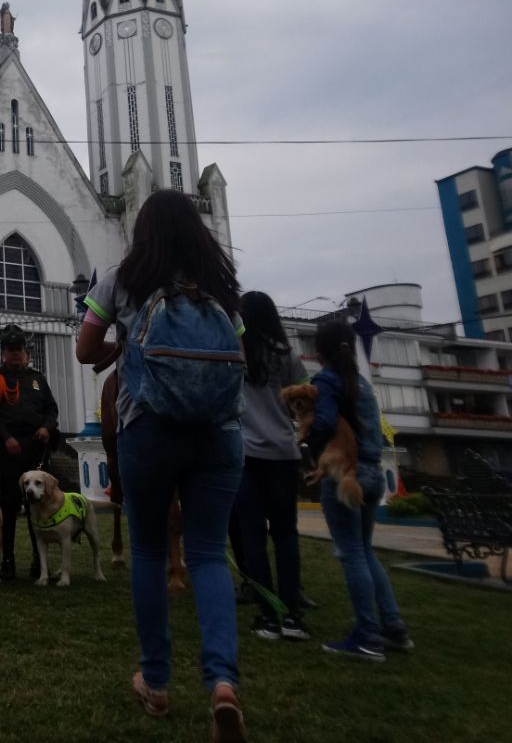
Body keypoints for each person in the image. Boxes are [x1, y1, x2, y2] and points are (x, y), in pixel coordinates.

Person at [75, 189, 247, 742]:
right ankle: (223, 683)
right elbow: (239, 356)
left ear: (142, 230)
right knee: (208, 554)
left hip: (148, 429)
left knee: (150, 551)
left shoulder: (124, 278)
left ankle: (155, 680)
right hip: (219, 433)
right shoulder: (220, 285)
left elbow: (84, 351)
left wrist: (122, 347)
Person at [311, 319, 412, 661]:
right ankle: (393, 626)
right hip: (373, 472)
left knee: (351, 553)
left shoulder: (326, 381)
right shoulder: (362, 384)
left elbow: (323, 422)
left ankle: (368, 637)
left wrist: (314, 450)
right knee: (365, 550)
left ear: (318, 351)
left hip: (344, 474)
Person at [236, 290, 311, 642]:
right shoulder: (287, 355)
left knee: (252, 536)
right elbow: (307, 399)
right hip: (285, 452)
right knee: (286, 535)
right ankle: (293, 616)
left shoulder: (236, 354)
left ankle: (268, 616)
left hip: (246, 454)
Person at [0, 323, 59, 580]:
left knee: (39, 506)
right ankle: (8, 559)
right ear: (3, 352)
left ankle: (39, 560)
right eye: (11, 349)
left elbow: (51, 409)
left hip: (35, 449)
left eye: (19, 349)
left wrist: (47, 427)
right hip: (8, 451)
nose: (16, 353)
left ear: (26, 352)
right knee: (9, 506)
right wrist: (7, 438)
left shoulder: (37, 379)